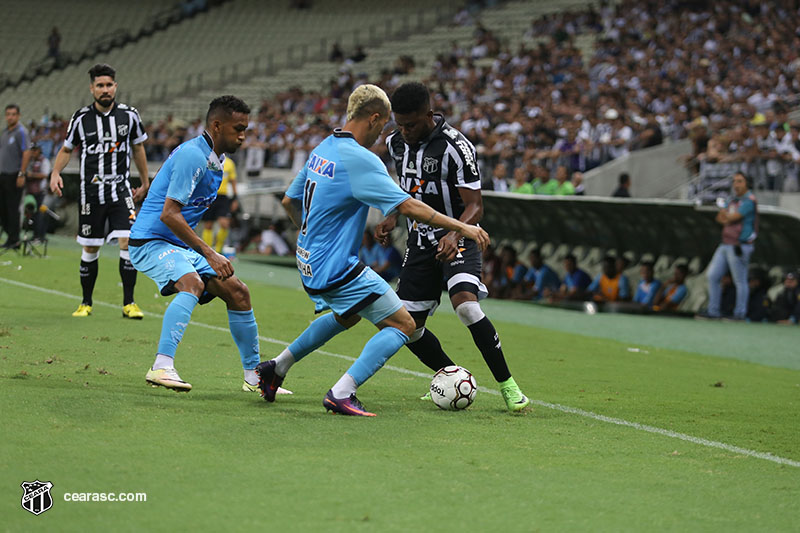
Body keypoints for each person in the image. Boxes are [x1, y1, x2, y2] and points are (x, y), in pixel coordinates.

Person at [254, 84, 490, 417]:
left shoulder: (323, 148)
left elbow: (289, 201)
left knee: (347, 316)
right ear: (375, 118)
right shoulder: (360, 160)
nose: (383, 135)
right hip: (336, 267)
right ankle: (342, 392)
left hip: (307, 260)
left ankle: (275, 368)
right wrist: (462, 227)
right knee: (404, 325)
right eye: (383, 126)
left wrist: (311, 233)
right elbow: (408, 206)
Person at [376, 82, 530, 412]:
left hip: (458, 238)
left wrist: (455, 233)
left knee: (465, 306)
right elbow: (405, 191)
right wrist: (390, 216)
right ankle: (449, 377)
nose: (404, 131)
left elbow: (475, 205)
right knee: (407, 327)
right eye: (399, 124)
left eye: (411, 124)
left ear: (429, 115)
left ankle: (508, 386)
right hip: (419, 243)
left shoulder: (456, 147)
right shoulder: (396, 143)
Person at [128, 95, 285, 395]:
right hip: (149, 241)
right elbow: (169, 214)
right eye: (238, 128)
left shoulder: (218, 161)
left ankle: (254, 377)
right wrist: (210, 253)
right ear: (216, 125)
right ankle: (161, 365)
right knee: (193, 283)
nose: (243, 135)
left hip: (176, 245)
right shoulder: (193, 157)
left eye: (246, 129)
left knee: (238, 292)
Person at [50, 64, 150, 319]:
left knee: (128, 241)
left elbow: (138, 148)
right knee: (91, 248)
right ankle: (86, 303)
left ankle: (129, 303)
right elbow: (66, 149)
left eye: (109, 85)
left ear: (115, 86)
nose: (105, 90)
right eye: (100, 86)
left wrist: (145, 181)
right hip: (91, 194)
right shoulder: (81, 118)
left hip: (121, 190)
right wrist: (55, 173)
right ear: (92, 89)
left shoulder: (130, 115)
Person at [705, 172, 758, 320]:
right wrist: (726, 215)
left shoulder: (749, 201)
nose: (736, 184)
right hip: (725, 243)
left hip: (740, 245)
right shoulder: (733, 199)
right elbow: (720, 219)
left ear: (747, 183)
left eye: (740, 181)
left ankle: (739, 313)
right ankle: (713, 311)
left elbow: (732, 217)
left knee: (739, 280)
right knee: (712, 276)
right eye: (735, 181)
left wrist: (725, 212)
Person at [0, 104, 31, 250]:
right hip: (3, 175)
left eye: (13, 114)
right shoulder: (5, 132)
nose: (10, 117)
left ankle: (14, 240)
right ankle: (10, 235)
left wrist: (21, 173)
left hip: (14, 175)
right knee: (3, 208)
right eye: (8, 114)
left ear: (18, 116)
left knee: (13, 208)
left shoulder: (21, 132)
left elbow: (26, 152)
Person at [201, 155, 237, 253]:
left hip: (222, 197)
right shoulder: (209, 160)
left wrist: (235, 198)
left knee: (225, 223)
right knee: (208, 224)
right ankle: (207, 250)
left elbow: (233, 181)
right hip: (210, 195)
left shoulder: (230, 163)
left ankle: (218, 249)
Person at [24, 143, 52, 241]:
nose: (33, 153)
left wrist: (32, 175)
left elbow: (45, 174)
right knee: (30, 214)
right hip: (30, 191)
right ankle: (34, 235)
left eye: (35, 150)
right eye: (32, 150)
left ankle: (39, 236)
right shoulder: (30, 161)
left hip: (41, 192)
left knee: (39, 214)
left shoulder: (44, 161)